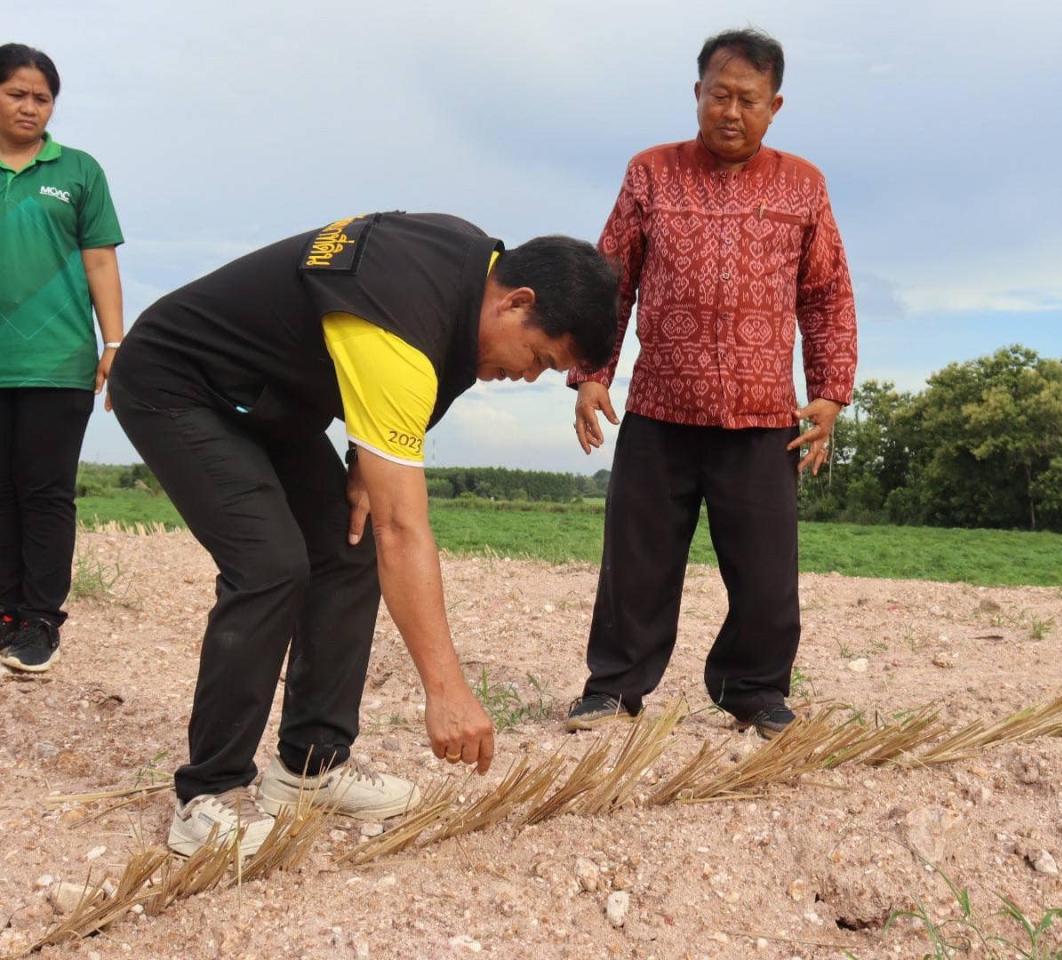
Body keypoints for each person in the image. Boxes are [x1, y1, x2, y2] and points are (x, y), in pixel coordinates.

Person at [109, 213, 617, 857]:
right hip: (177, 382)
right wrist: (447, 690)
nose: (529, 375)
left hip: (270, 399)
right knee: (270, 564)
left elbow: (384, 400)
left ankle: (309, 769)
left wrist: (361, 462)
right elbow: (406, 530)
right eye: (541, 358)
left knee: (347, 547)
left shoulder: (467, 265)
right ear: (518, 302)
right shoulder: (399, 327)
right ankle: (210, 793)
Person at [566, 28, 857, 739]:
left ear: (775, 105)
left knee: (765, 574)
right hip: (662, 406)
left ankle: (754, 691)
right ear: (697, 94)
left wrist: (828, 391)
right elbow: (612, 280)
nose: (731, 112)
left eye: (748, 100)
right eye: (719, 95)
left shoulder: (804, 186)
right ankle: (614, 688)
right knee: (636, 561)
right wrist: (592, 374)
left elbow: (827, 295)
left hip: (763, 416)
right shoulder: (650, 174)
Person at [0, 44, 125, 673]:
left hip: (57, 358)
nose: (30, 107)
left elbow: (100, 258)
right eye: (16, 94)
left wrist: (114, 342)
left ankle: (41, 621)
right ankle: (4, 613)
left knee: (44, 492)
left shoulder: (77, 171)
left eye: (41, 97)